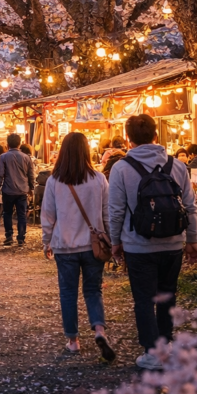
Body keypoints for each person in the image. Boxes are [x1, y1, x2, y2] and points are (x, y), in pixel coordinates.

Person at [109, 114, 197, 371]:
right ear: (156, 136)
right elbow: (190, 207)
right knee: (167, 295)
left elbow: (115, 210)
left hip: (138, 245)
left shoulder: (121, 168)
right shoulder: (177, 166)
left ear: (128, 138)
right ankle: (166, 346)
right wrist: (192, 240)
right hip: (173, 244)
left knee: (144, 299)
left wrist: (116, 242)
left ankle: (151, 352)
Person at [41, 132, 116, 362]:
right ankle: (99, 330)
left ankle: (73, 340)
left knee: (68, 293)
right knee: (94, 290)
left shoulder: (55, 180)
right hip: (93, 245)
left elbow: (48, 215)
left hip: (65, 245)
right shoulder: (99, 179)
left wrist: (46, 240)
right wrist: (112, 241)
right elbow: (107, 213)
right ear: (86, 151)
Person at [0, 134, 35, 246]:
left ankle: (9, 236)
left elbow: (0, 174)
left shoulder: (3, 157)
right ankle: (21, 237)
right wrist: (31, 187)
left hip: (8, 189)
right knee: (21, 214)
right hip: (22, 190)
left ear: (7, 144)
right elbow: (31, 174)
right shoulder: (26, 157)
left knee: (7, 213)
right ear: (19, 143)